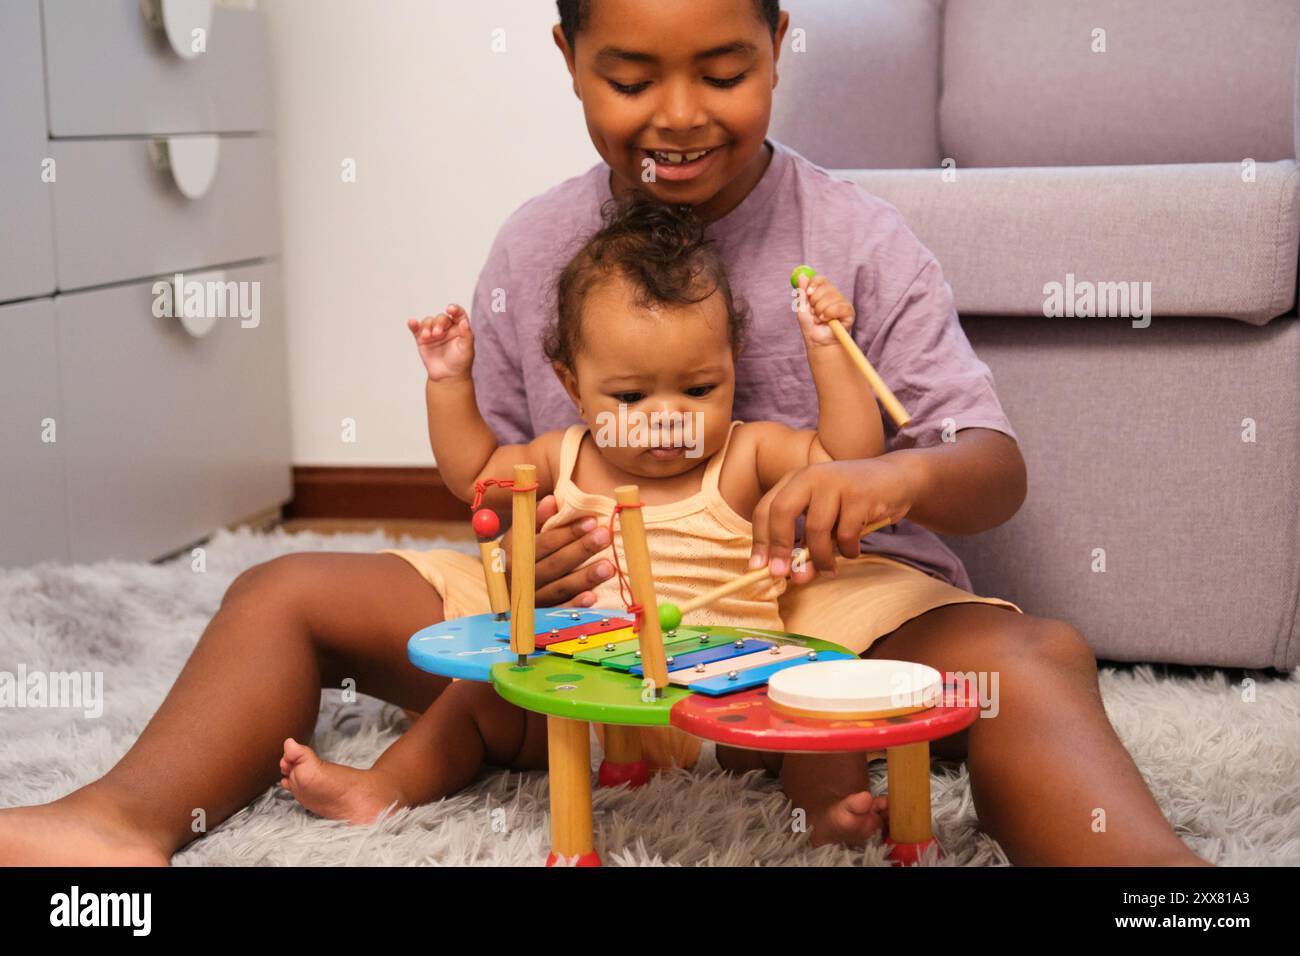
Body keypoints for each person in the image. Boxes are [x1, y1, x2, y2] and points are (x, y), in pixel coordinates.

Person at [0, 0, 1210, 866]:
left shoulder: (861, 241)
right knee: (281, 589)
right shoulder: (537, 250)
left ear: (780, 50)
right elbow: (499, 481)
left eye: (723, 72)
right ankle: (124, 818)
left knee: (1034, 655)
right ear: (567, 58)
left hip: (817, 628)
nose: (678, 116)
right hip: (595, 640)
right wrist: (514, 549)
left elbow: (990, 470)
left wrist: (890, 480)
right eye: (630, 78)